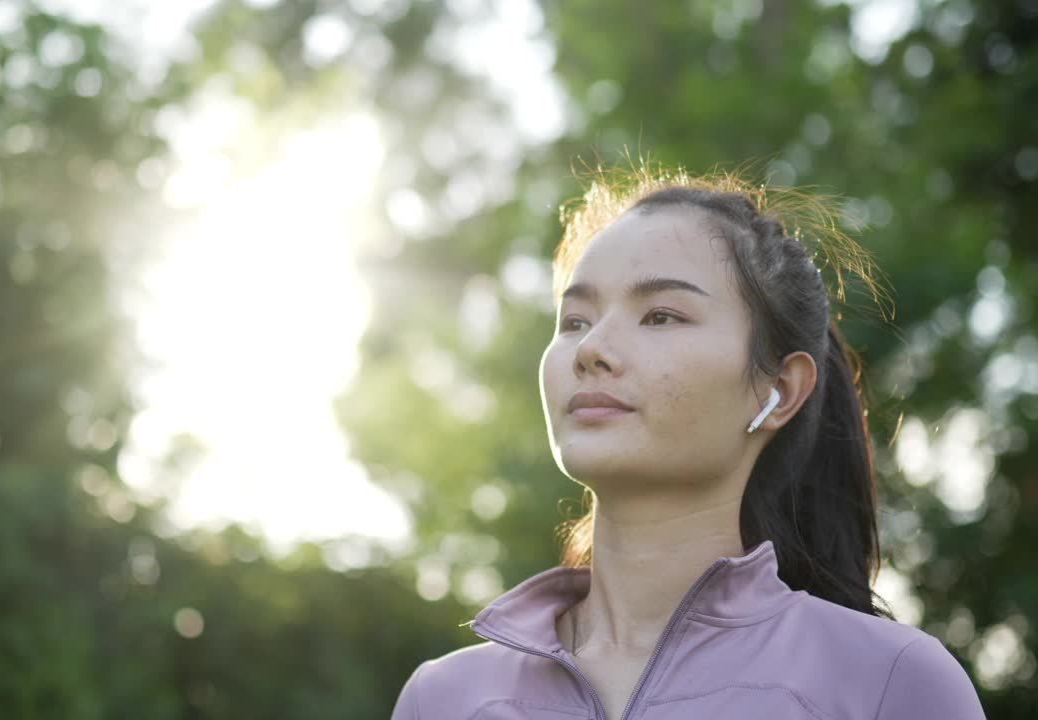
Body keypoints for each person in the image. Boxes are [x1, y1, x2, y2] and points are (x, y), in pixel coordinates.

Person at [390, 161, 987, 719]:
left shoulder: (891, 683)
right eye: (575, 321)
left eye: (660, 316)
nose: (592, 348)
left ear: (779, 388)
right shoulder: (443, 698)